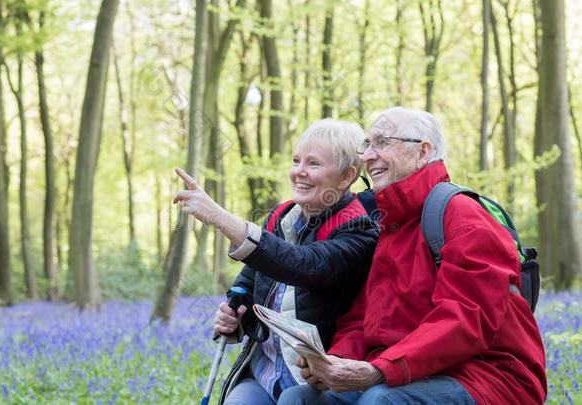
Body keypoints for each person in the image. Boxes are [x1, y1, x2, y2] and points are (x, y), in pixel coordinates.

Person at [277, 107, 547, 405]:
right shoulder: (392, 223)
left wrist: (379, 370)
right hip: (411, 372)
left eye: (381, 142)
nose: (367, 156)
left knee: (381, 401)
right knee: (299, 399)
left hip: (489, 376)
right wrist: (335, 362)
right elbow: (364, 318)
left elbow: (465, 319)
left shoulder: (463, 217)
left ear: (423, 151)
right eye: (366, 145)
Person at [172, 119, 379, 405]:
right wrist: (235, 319)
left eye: (313, 164)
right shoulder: (281, 217)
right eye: (296, 160)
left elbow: (301, 265)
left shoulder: (359, 230)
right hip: (265, 372)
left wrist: (221, 219)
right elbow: (250, 281)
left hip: (313, 382)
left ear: (346, 176)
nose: (299, 172)